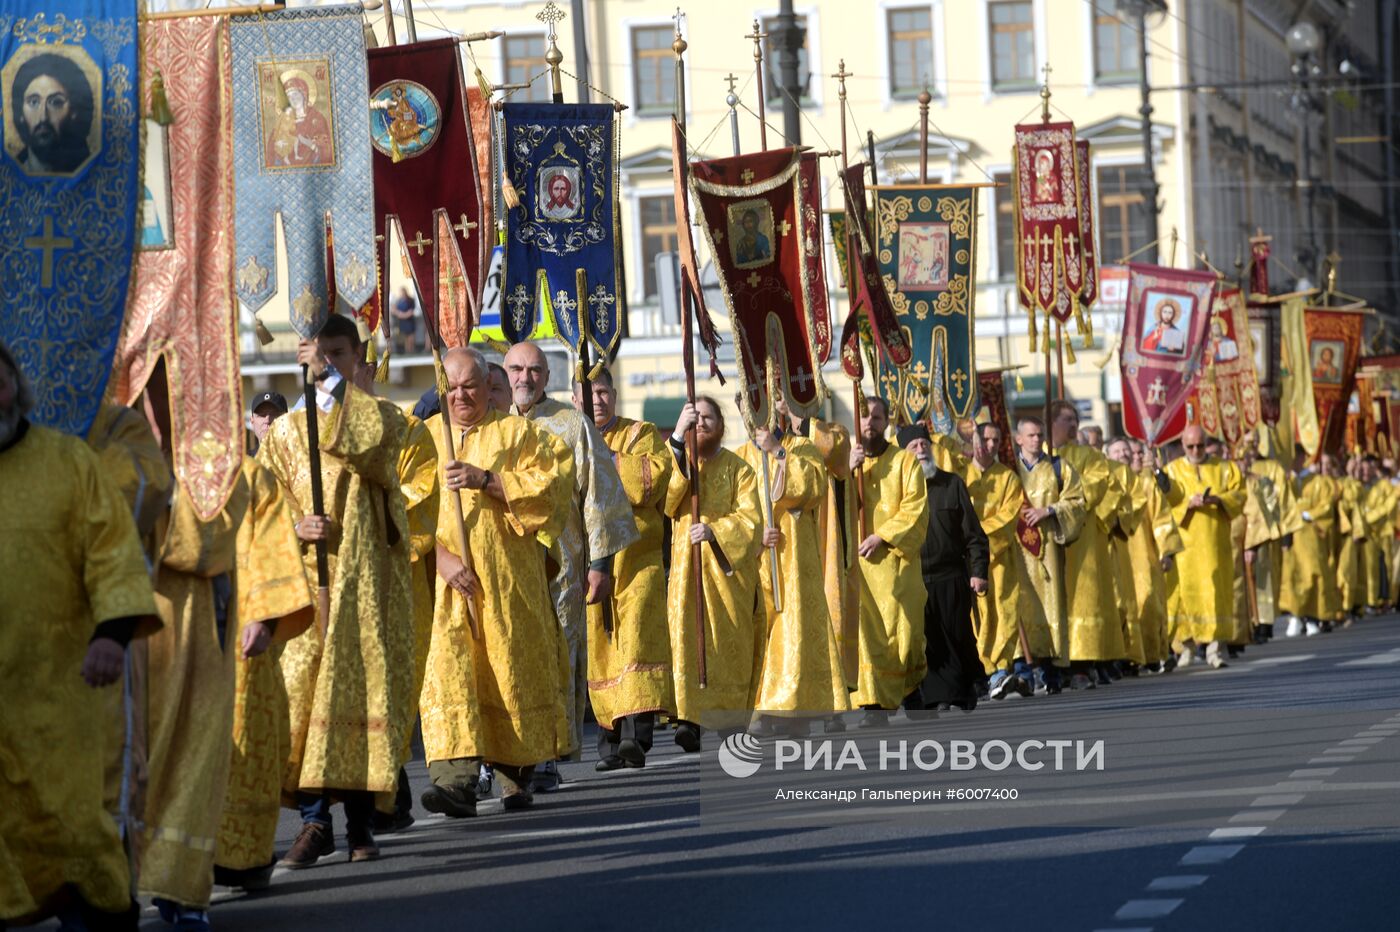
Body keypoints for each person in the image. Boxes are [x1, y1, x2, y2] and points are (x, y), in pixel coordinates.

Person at [1, 341, 158, 929]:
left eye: (0, 381)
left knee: (75, 817)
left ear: (17, 386)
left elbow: (113, 554)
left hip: (63, 685)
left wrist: (112, 634)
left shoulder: (69, 462)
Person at [257, 314, 413, 867]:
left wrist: (335, 384)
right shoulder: (281, 435)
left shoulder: (384, 418)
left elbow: (372, 450)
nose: (328, 362)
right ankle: (313, 821)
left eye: (340, 354)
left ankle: (361, 824)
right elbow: (263, 508)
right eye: (320, 355)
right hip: (306, 584)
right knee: (302, 701)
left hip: (362, 587)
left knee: (359, 698)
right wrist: (294, 528)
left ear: (355, 357)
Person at [419, 347, 566, 815]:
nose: (462, 395)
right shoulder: (423, 439)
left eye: (471, 386)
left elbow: (550, 493)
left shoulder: (518, 433)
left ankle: (513, 774)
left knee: (507, 671)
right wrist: (440, 558)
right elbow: (404, 512)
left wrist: (486, 479)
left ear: (488, 387)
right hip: (446, 587)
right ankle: (455, 780)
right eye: (453, 387)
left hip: (506, 584)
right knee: (450, 673)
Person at [505, 342, 637, 791]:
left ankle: (548, 751)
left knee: (557, 651)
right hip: (502, 565)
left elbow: (599, 495)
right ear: (504, 373)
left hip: (561, 566)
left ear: (547, 375)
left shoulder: (572, 423)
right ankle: (500, 755)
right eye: (517, 369)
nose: (525, 378)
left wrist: (600, 562)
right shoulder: (490, 424)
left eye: (535, 370)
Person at [213, 457, 316, 896]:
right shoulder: (138, 463)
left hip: (238, 632)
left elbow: (274, 545)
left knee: (248, 736)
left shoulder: (250, 477)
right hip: (167, 636)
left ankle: (243, 853)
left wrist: (266, 619)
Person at [349, 354, 439, 833]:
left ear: (369, 367)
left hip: (388, 579)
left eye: (345, 361)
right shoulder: (299, 430)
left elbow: (420, 498)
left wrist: (365, 514)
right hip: (331, 584)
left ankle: (388, 792)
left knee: (385, 683)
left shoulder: (405, 431)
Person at [573, 367, 676, 770]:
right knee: (602, 651)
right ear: (575, 397)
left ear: (614, 394)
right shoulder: (569, 435)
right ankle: (609, 742)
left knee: (635, 643)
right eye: (589, 393)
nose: (597, 400)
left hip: (637, 561)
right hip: (591, 563)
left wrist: (608, 456)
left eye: (603, 392)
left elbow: (648, 484)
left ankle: (637, 735)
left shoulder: (641, 433)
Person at [740, 398, 848, 734]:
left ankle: (790, 706)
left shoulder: (802, 448)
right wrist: (757, 535)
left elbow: (812, 489)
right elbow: (734, 507)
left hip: (794, 561)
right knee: (760, 630)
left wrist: (776, 451)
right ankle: (763, 706)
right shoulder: (741, 456)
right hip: (757, 560)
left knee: (792, 629)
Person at [664, 397, 763, 749]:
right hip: (686, 574)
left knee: (726, 642)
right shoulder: (681, 464)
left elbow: (751, 520)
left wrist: (714, 531)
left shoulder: (739, 470)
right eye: (695, 418)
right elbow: (665, 496)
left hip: (726, 576)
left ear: (721, 424)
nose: (701, 423)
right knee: (687, 641)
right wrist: (677, 434)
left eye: (708, 417)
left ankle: (728, 715)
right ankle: (688, 718)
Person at [953, 423, 1052, 699]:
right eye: (985, 439)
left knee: (1003, 613)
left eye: (996, 440)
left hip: (998, 559)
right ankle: (976, 672)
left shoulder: (1008, 478)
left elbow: (1009, 517)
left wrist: (974, 534)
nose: (990, 445)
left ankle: (998, 669)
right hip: (965, 559)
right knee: (973, 617)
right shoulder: (960, 473)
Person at [849, 397, 929, 723]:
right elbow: (831, 506)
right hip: (861, 565)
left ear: (886, 423)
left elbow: (915, 506)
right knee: (869, 635)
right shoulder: (848, 463)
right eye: (865, 417)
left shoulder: (904, 462)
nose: (870, 423)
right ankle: (873, 702)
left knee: (906, 630)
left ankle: (910, 688)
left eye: (877, 418)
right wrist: (843, 473)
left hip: (896, 560)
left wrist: (882, 536)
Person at [899, 424, 989, 711]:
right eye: (913, 446)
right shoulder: (897, 490)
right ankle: (937, 696)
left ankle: (968, 686)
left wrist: (978, 571)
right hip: (914, 578)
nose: (921, 449)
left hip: (951, 575)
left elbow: (973, 533)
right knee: (929, 640)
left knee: (958, 634)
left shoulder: (952, 484)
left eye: (924, 444)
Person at [1050, 401, 1130, 688]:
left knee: (1083, 598)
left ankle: (1083, 662)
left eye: (1075, 419)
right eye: (1066, 419)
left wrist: (1059, 501)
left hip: (1082, 538)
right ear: (1051, 422)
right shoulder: (1041, 455)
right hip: (1046, 538)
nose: (1073, 425)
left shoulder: (1088, 456)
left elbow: (1095, 487)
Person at [1013, 415, 1086, 694]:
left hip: (1048, 552)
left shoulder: (1058, 467)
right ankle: (1023, 672)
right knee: (1022, 606)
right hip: (1019, 552)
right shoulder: (1009, 470)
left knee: (1051, 605)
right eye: (1030, 435)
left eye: (1039, 435)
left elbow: (1077, 500)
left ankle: (1052, 671)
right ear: (1019, 438)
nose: (1036, 440)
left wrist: (1050, 510)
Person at [1164, 426, 1246, 669]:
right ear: (1182, 444)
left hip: (1215, 542)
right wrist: (1187, 505)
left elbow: (1240, 495)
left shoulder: (1224, 467)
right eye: (1190, 447)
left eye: (1200, 445)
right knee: (1185, 596)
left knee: (1215, 593)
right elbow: (1163, 506)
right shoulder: (1172, 470)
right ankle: (1186, 647)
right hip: (1184, 545)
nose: (1196, 451)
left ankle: (1215, 648)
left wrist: (1219, 500)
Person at [1239, 431, 1300, 642]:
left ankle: (1264, 620)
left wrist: (1285, 530)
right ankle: (1248, 622)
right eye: (1248, 443)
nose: (1252, 447)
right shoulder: (1233, 471)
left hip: (1264, 531)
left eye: (1255, 441)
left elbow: (1281, 499)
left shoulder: (1270, 468)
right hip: (1240, 532)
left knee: (1264, 576)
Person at [1127, 439, 1182, 671]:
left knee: (1150, 602)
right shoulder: (1114, 481)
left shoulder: (1149, 482)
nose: (1138, 458)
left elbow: (1161, 518)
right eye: (1133, 454)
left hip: (1146, 554)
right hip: (1121, 554)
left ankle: (1152, 654)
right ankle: (1129, 657)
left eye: (1141, 453)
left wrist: (1166, 551)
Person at [1278, 449, 1342, 637]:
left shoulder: (1318, 482)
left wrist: (1307, 515)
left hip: (1311, 537)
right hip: (1291, 537)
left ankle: (1314, 617)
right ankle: (1296, 616)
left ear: (1302, 458)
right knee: (1292, 577)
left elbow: (1327, 507)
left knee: (1313, 575)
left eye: (1293, 457)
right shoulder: (1286, 482)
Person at [1103, 438, 1148, 669]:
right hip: (1100, 541)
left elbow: (1136, 501)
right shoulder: (1100, 471)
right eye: (1116, 450)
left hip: (1125, 539)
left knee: (1127, 597)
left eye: (1124, 450)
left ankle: (1129, 653)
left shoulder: (1127, 474)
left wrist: (1116, 519)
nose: (1122, 454)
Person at [12, 52, 95, 174]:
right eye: (33, 102)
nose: (43, 117)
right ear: (20, 114)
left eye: (56, 103)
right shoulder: (9, 173)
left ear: (74, 111)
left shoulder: (92, 171)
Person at [392, 287, 419, 355]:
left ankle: (412, 349)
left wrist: (404, 315)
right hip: (403, 321)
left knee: (411, 336)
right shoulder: (399, 301)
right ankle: (407, 350)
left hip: (409, 320)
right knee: (405, 336)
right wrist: (399, 314)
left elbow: (412, 310)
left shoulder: (410, 300)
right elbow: (395, 309)